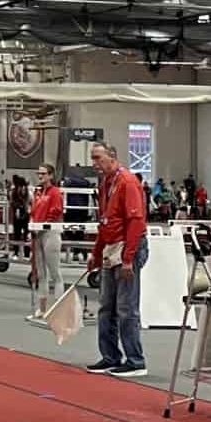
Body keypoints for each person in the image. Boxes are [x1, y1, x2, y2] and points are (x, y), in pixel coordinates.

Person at [85, 141, 147, 376]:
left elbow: (135, 222)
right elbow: (105, 222)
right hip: (111, 246)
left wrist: (129, 258)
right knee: (106, 307)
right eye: (92, 158)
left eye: (98, 158)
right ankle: (110, 356)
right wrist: (96, 253)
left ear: (112, 157)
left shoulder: (128, 182)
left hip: (127, 247)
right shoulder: (105, 184)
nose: (95, 164)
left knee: (126, 307)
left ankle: (135, 360)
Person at [27, 163, 66, 323]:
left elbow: (56, 211)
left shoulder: (55, 192)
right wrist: (32, 224)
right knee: (41, 274)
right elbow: (34, 212)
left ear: (50, 175)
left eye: (43, 174)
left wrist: (43, 225)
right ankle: (42, 309)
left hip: (50, 233)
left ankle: (57, 310)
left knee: (55, 273)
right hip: (37, 234)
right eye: (39, 173)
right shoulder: (37, 193)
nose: (40, 176)